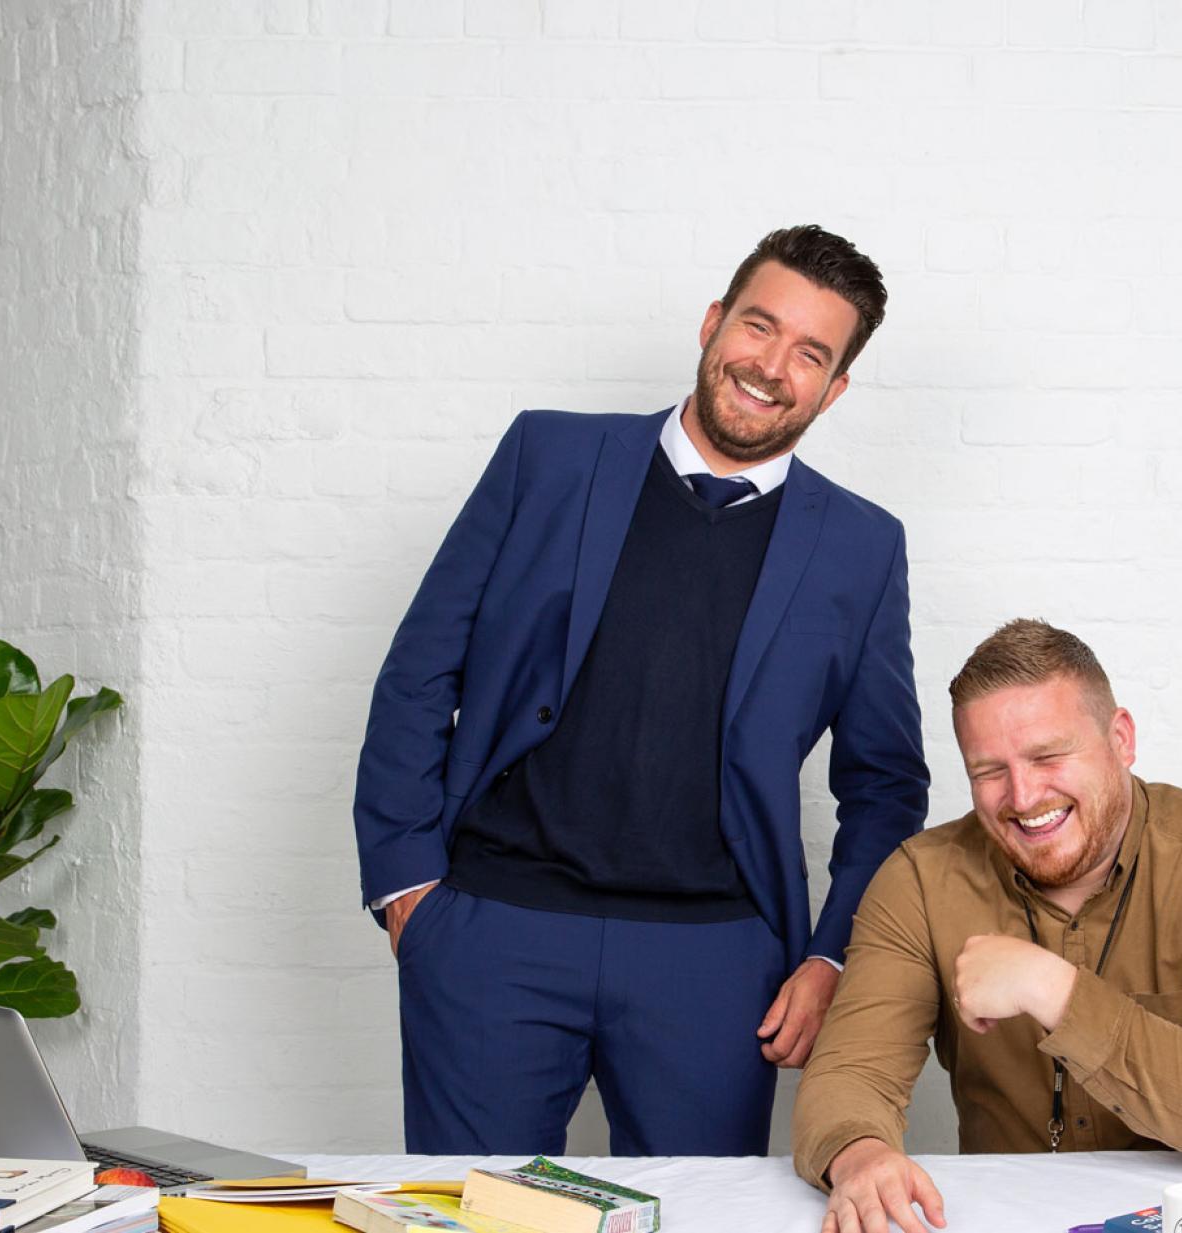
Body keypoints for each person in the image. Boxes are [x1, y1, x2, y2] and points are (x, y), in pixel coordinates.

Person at [351, 225, 929, 1156]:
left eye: (810, 353)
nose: (772, 365)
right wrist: (406, 882)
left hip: (716, 964)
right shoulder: (549, 458)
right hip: (496, 929)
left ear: (835, 386)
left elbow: (887, 785)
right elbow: (422, 667)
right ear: (713, 322)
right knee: (469, 1222)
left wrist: (831, 955)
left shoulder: (863, 547)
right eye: (758, 325)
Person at [792, 619, 1182, 1233]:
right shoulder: (919, 879)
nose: (1021, 795)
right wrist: (862, 1156)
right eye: (988, 770)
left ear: (1120, 738)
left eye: (1047, 755)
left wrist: (1053, 990)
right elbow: (850, 1074)